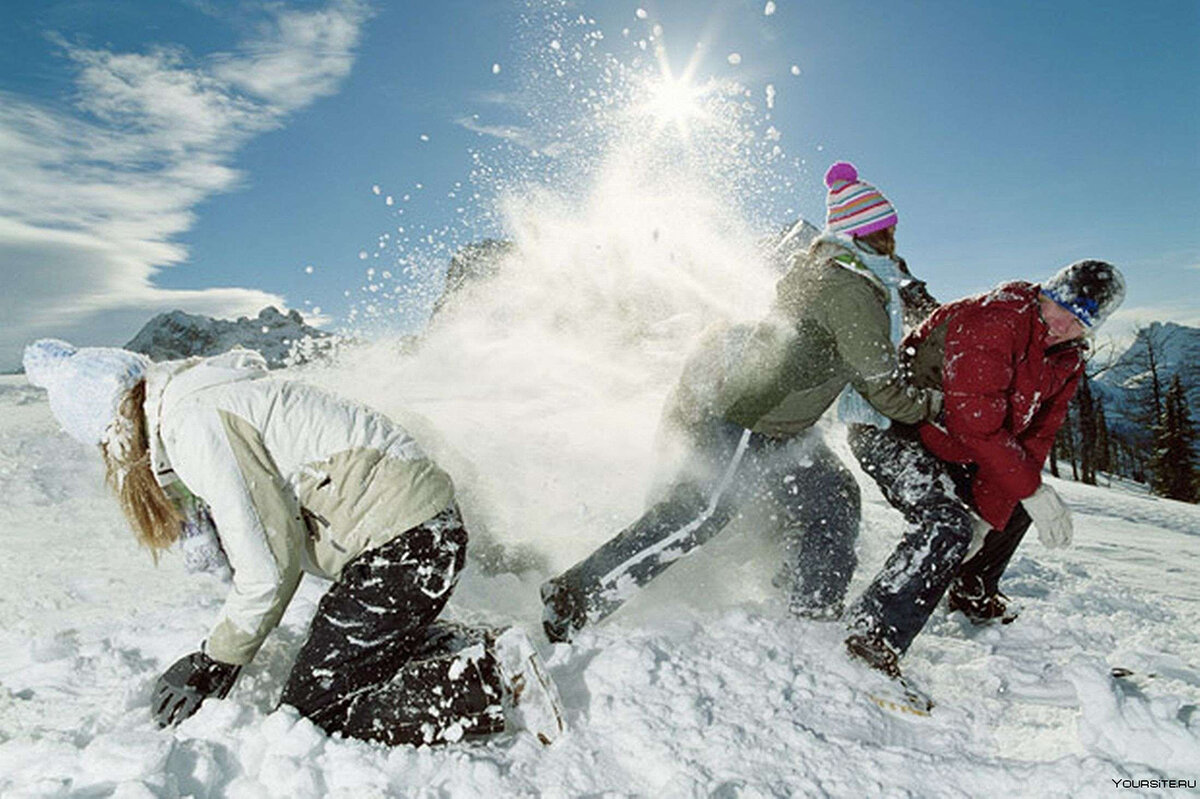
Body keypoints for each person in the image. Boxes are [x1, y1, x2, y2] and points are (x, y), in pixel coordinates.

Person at [23, 341, 564, 747]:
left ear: (116, 423)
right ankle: (488, 646)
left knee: (317, 711)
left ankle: (497, 686)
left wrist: (216, 660)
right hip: (418, 539)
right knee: (342, 652)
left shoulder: (193, 422)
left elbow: (270, 559)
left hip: (404, 547)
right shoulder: (199, 399)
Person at [540, 162, 944, 642]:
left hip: (786, 431)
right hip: (750, 421)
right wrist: (932, 406)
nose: (894, 240)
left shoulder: (835, 274)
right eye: (888, 230)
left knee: (833, 497)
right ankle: (574, 595)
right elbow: (881, 384)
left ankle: (809, 612)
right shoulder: (850, 291)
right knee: (699, 514)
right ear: (869, 234)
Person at [844, 260, 1126, 677]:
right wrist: (990, 509)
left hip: (953, 443)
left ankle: (970, 587)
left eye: (1082, 319)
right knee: (948, 522)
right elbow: (974, 425)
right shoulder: (995, 319)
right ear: (1046, 292)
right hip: (894, 428)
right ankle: (871, 636)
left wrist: (998, 511)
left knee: (1015, 499)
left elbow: (1034, 440)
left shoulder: (1066, 357)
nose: (1065, 324)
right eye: (1062, 306)